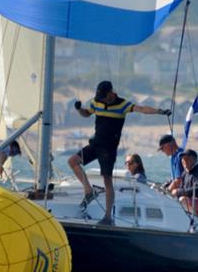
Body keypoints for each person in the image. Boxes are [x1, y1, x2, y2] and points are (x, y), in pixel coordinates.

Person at [69, 80, 170, 224]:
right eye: (100, 97)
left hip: (108, 149)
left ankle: (108, 217)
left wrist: (160, 111)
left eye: (104, 96)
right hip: (96, 143)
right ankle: (89, 191)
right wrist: (79, 109)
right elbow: (87, 113)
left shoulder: (122, 104)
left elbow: (141, 109)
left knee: (107, 180)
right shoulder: (96, 102)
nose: (102, 99)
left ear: (110, 93)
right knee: (72, 161)